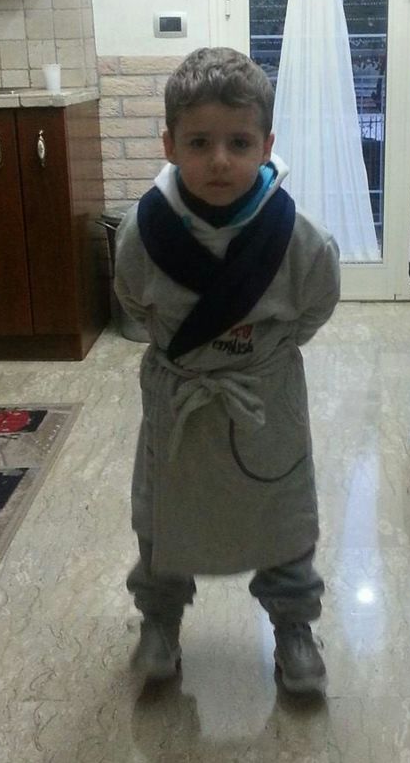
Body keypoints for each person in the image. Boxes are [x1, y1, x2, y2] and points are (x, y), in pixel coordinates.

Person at [114, 47, 340, 695]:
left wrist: (257, 357)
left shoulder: (300, 239)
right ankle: (160, 621)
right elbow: (135, 302)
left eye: (239, 143)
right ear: (169, 145)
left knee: (283, 516)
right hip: (179, 401)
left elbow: (314, 306)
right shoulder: (141, 233)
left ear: (267, 145)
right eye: (199, 142)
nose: (219, 160)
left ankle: (294, 626)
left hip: (265, 400)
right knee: (161, 516)